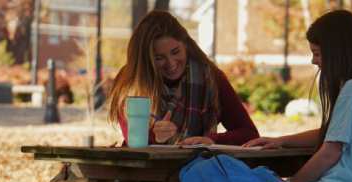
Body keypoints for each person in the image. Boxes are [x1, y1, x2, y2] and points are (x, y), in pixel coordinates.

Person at [243, 10, 352, 182]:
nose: (313, 61)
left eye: (316, 53)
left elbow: (329, 153)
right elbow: (335, 134)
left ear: (336, 50)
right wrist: (283, 140)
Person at [108, 10, 259, 146]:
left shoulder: (212, 78)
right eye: (159, 58)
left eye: (176, 52)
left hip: (198, 169)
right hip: (142, 173)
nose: (171, 63)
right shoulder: (130, 82)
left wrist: (212, 140)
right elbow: (132, 139)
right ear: (146, 59)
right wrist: (155, 136)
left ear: (185, 44)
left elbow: (249, 133)